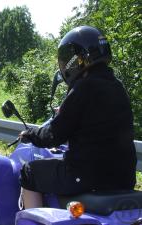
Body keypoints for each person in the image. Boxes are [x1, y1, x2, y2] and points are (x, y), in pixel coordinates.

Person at [19, 26, 137, 209]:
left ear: (75, 60)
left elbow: (54, 135)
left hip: (87, 175)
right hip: (123, 177)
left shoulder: (82, 88)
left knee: (29, 172)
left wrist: (31, 134)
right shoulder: (117, 86)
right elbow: (98, 122)